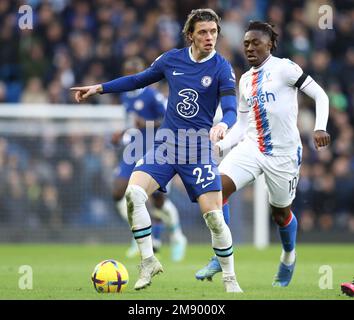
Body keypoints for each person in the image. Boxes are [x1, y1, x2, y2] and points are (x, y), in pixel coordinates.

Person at [71, 8, 242, 292]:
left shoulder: (222, 67)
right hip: (166, 146)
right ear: (190, 35)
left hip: (198, 149)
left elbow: (232, 109)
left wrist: (224, 124)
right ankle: (148, 261)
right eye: (203, 32)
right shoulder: (171, 59)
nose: (210, 37)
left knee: (213, 217)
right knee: (133, 194)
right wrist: (99, 88)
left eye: (213, 32)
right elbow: (137, 80)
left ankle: (229, 278)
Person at [195, 21, 331, 287]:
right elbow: (242, 126)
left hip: (284, 154)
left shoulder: (286, 68)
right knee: (215, 189)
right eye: (246, 44)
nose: (249, 48)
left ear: (270, 44)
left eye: (256, 42)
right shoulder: (245, 80)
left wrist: (319, 127)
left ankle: (289, 255)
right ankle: (220, 254)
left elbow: (321, 95)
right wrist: (220, 145)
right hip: (252, 146)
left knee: (280, 214)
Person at [111, 57, 187, 261]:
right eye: (127, 70)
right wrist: (122, 133)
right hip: (133, 150)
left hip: (156, 149)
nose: (131, 75)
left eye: (134, 71)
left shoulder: (153, 96)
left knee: (158, 202)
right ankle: (141, 235)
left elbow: (170, 120)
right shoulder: (126, 96)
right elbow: (132, 124)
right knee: (119, 191)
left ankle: (178, 237)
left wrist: (146, 123)